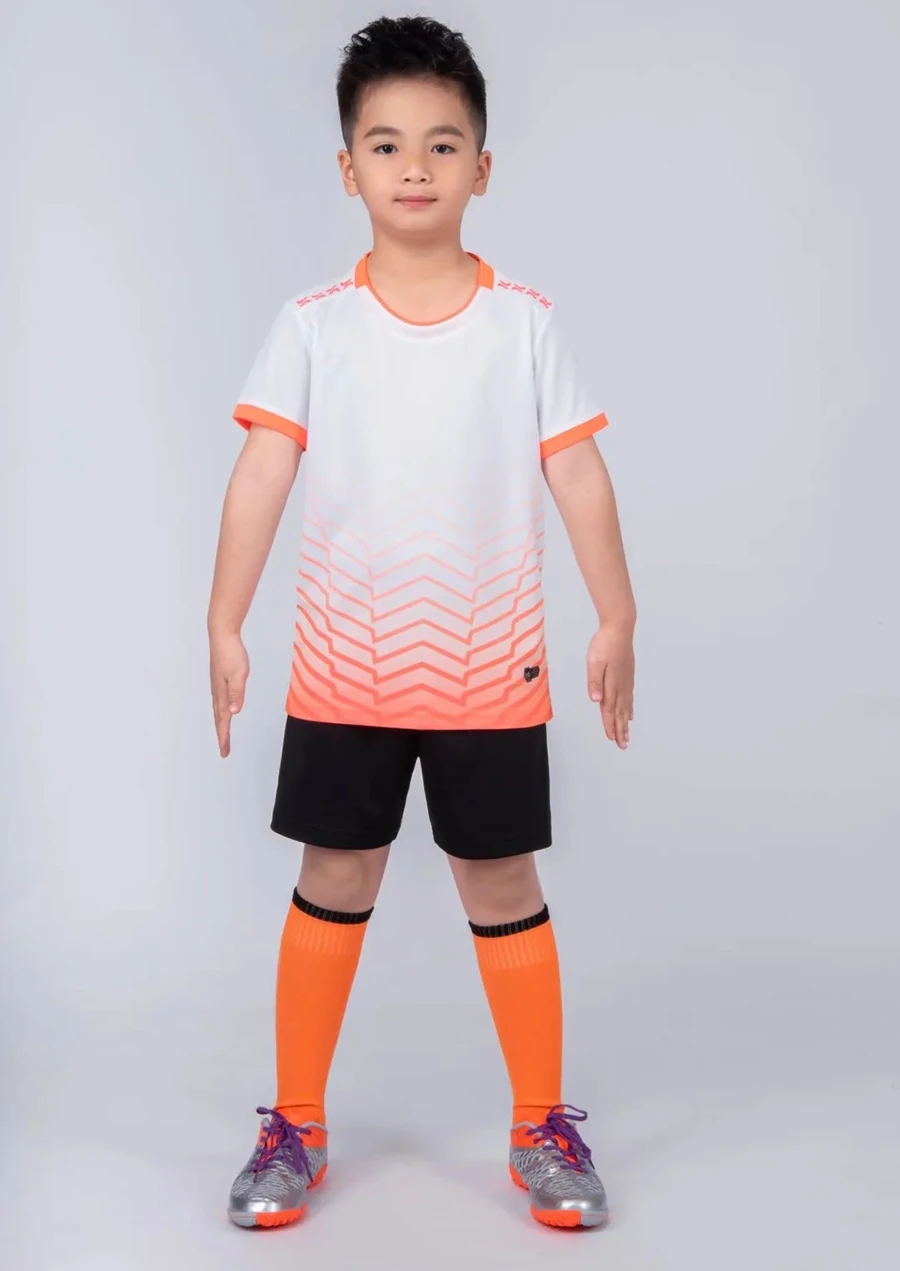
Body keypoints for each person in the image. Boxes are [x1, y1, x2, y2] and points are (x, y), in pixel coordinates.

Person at [208, 14, 636, 1233]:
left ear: (482, 168)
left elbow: (579, 473)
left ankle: (540, 1124)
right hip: (344, 671)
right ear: (347, 166)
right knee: (332, 873)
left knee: (502, 878)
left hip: (488, 675)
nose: (414, 167)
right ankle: (295, 1123)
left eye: (443, 144)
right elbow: (260, 472)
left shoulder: (525, 323)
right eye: (386, 144)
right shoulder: (313, 324)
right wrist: (224, 618)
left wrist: (618, 613)